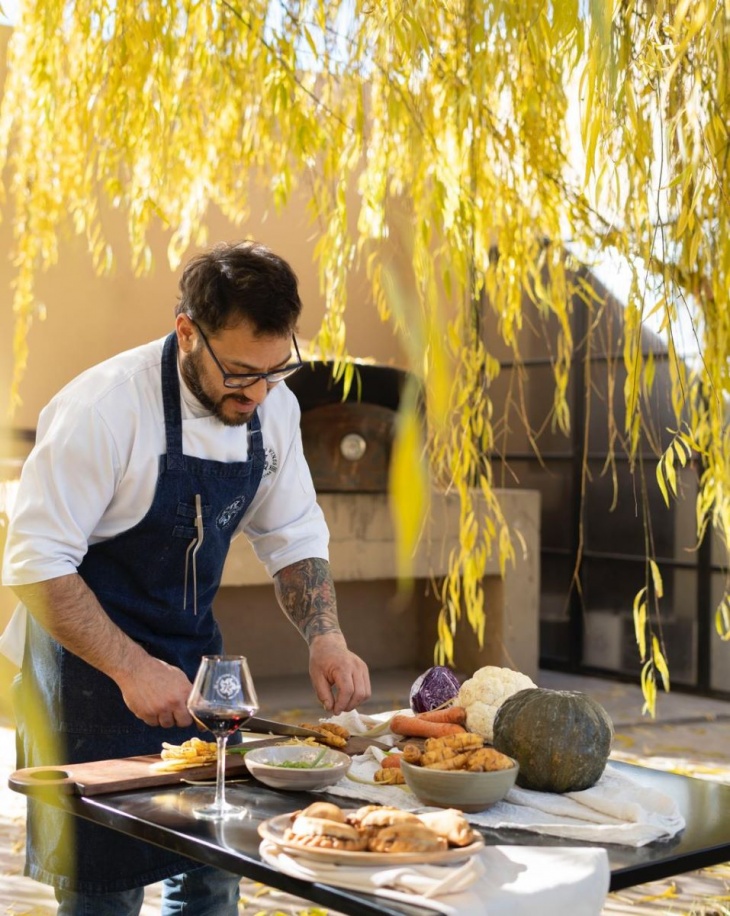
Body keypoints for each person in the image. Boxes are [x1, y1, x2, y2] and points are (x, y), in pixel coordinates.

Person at [1, 239, 371, 915]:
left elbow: (292, 534)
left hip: (193, 658)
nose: (256, 392)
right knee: (103, 889)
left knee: (212, 866)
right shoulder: (103, 408)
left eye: (275, 370)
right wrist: (131, 668)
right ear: (186, 332)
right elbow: (36, 561)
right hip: (85, 674)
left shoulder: (274, 407)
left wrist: (326, 636)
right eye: (239, 373)